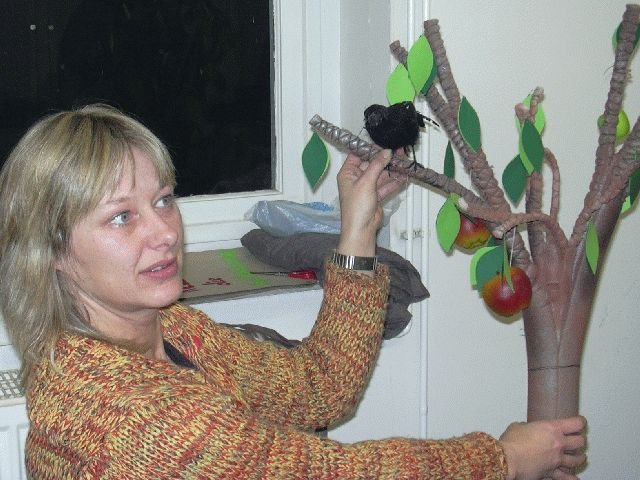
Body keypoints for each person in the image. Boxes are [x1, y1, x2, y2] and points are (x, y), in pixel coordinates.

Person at [0, 104, 586, 479]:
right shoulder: (133, 417)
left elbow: (318, 388)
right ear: (52, 252)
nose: (165, 233)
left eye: (163, 200)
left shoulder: (170, 329)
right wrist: (502, 460)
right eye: (121, 217)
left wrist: (357, 229)